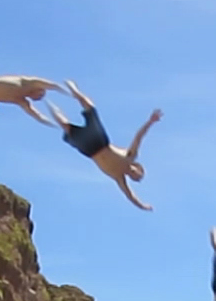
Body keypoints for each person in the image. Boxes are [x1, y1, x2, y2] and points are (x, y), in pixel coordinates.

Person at [46, 81, 161, 211]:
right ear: (138, 168)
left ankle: (47, 102)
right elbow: (139, 137)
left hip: (90, 150)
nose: (136, 176)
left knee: (65, 126)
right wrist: (150, 122)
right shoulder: (130, 156)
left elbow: (130, 196)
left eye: (137, 179)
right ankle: (74, 90)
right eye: (139, 175)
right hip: (100, 140)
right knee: (90, 108)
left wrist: (143, 206)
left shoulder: (119, 178)